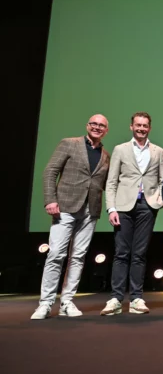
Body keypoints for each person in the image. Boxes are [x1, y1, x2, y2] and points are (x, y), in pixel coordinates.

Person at [31, 115, 111, 320]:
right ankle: (45, 303)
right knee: (56, 254)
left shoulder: (105, 155)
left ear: (106, 130)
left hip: (90, 211)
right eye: (94, 124)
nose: (97, 127)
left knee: (78, 257)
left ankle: (67, 301)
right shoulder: (69, 143)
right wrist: (50, 199)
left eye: (101, 126)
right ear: (87, 126)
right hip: (64, 207)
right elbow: (50, 171)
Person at [101, 112, 163, 316]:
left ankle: (136, 298)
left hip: (147, 206)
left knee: (139, 253)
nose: (141, 128)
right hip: (123, 207)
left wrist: (159, 200)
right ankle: (116, 299)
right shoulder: (120, 149)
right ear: (131, 127)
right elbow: (111, 182)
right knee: (121, 253)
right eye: (138, 125)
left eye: (145, 125)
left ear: (150, 128)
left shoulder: (158, 151)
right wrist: (111, 208)